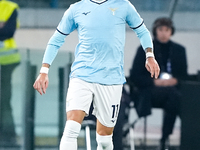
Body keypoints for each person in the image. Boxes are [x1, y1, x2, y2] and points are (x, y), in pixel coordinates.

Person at [33, 0, 160, 149]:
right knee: (71, 128)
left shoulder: (123, 5)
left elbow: (143, 31)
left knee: (105, 139)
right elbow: (56, 39)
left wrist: (149, 55)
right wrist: (44, 71)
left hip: (111, 79)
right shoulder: (76, 9)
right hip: (82, 75)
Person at [130, 17, 188, 150]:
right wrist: (155, 82)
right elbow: (135, 76)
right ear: (155, 31)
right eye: (160, 29)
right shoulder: (144, 50)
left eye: (166, 30)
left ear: (171, 31)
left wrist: (175, 81)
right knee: (174, 97)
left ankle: (165, 137)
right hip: (150, 92)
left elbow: (183, 76)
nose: (163, 33)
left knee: (175, 98)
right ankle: (164, 138)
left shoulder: (179, 50)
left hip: (172, 92)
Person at [0, 0, 20, 146]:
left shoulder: (9, 7)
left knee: (4, 101)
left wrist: (4, 29)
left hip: (7, 61)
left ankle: (9, 137)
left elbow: (8, 32)